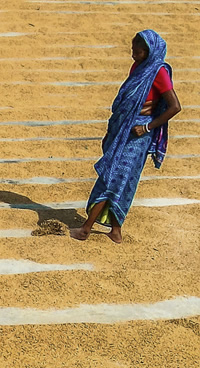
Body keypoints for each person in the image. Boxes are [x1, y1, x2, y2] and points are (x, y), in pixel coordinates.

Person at [71, 30, 181, 243]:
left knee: (113, 177)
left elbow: (175, 106)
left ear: (147, 51)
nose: (133, 54)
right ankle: (116, 230)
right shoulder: (138, 67)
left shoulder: (158, 72)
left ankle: (86, 228)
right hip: (124, 129)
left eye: (136, 51)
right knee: (122, 178)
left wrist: (147, 128)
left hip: (138, 135)